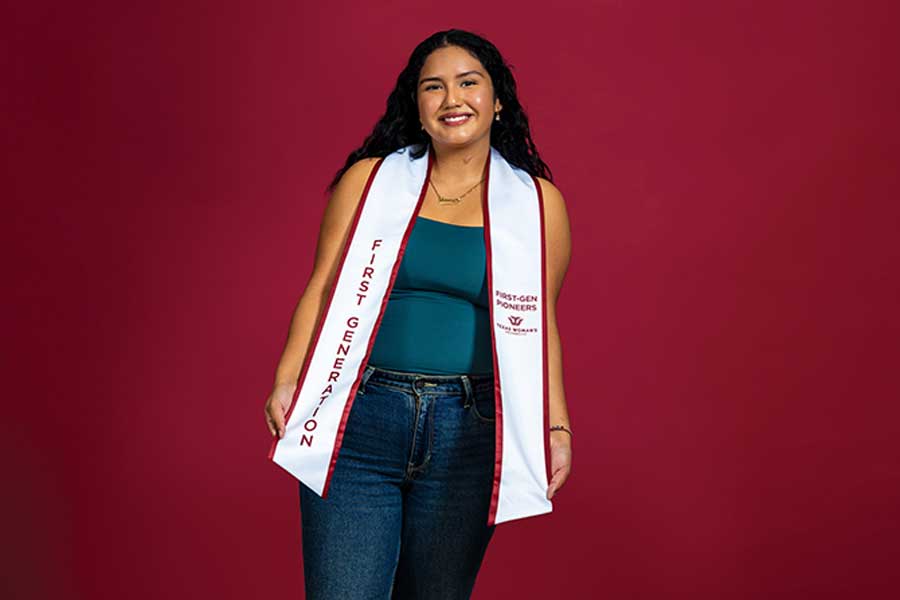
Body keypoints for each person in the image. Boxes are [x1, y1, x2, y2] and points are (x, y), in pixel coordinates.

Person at [263, 28, 573, 599]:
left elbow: (541, 322)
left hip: (471, 431)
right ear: (419, 107)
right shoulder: (371, 181)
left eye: (468, 83)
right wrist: (288, 378)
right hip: (358, 418)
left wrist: (556, 425)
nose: (452, 98)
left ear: (497, 100)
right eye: (434, 87)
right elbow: (322, 286)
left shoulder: (535, 203)